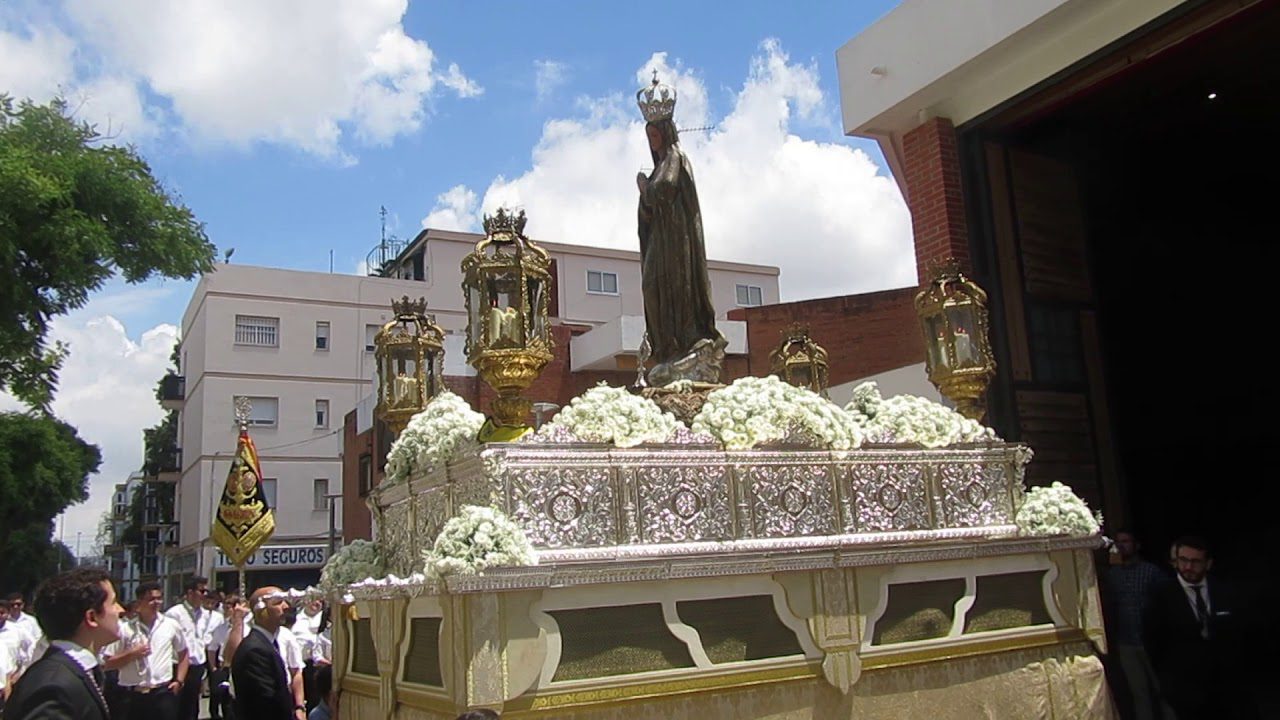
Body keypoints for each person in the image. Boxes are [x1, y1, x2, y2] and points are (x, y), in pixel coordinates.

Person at [634, 74, 725, 386]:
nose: (652, 140)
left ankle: (683, 344)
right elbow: (650, 208)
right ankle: (666, 348)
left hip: (677, 245)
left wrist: (645, 188)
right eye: (648, 135)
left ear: (664, 131)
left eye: (654, 133)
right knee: (651, 288)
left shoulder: (676, 157)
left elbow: (665, 190)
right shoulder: (660, 163)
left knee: (677, 292)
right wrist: (646, 199)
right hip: (661, 240)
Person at [1144, 535, 1256, 719]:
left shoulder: (1224, 591)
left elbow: (1240, 636)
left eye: (1195, 562)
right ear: (1175, 561)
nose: (1188, 567)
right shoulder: (1161, 595)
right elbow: (1152, 640)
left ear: (1208, 563)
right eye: (1184, 560)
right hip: (1184, 688)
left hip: (1227, 689)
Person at [4, 567, 124, 720]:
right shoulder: (53, 686)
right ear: (92, 617)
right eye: (113, 603)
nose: (120, 610)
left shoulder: (73, 672)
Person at [1103, 530, 1168, 720]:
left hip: (1152, 641)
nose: (1122, 546)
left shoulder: (1151, 572)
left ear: (1136, 545)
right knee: (1139, 694)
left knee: (1163, 690)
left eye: (1126, 541)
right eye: (1118, 542)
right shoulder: (1113, 575)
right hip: (1126, 642)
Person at [102, 581, 189, 720]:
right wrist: (132, 654)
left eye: (159, 598)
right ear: (139, 603)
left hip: (162, 692)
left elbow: (183, 652)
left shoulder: (170, 625)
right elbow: (107, 663)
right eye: (151, 599)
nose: (156, 602)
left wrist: (179, 681)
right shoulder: (125, 629)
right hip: (132, 695)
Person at [230, 587, 300, 720]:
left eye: (285, 602)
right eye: (278, 603)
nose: (285, 607)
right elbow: (267, 701)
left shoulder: (267, 643)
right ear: (261, 610)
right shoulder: (255, 650)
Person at [165, 576, 215, 720]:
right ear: (190, 592)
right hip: (178, 666)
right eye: (201, 591)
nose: (205, 594)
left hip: (197, 666)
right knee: (176, 708)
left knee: (192, 708)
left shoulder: (206, 615)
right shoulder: (175, 614)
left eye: (206, 591)